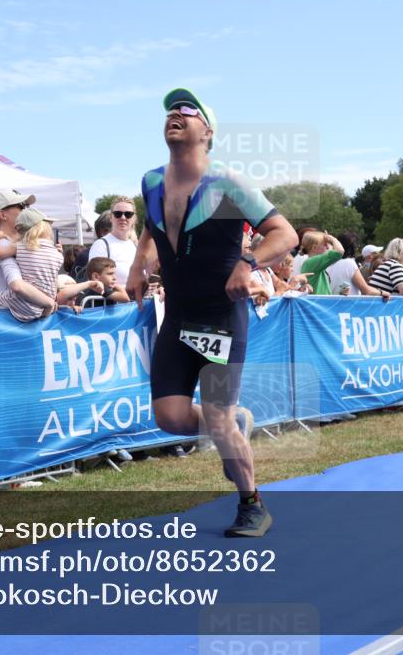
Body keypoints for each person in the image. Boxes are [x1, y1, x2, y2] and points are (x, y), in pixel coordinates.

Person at [127, 88, 298, 538]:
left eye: (188, 110)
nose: (175, 115)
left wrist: (248, 263)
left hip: (221, 318)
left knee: (218, 419)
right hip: (178, 317)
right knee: (170, 417)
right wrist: (137, 263)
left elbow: (285, 234)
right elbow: (149, 225)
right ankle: (231, 428)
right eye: (170, 110)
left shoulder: (228, 183)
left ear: (208, 131)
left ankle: (252, 504)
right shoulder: (150, 182)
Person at [0, 189, 58, 311]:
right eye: (21, 206)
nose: (26, 210)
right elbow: (17, 285)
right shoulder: (3, 244)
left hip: (17, 317)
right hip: (10, 318)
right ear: (3, 215)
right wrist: (48, 303)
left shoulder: (16, 245)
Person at [88, 197, 137, 286]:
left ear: (133, 219)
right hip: (113, 300)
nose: (123, 217)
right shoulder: (101, 245)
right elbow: (95, 282)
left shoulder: (135, 246)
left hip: (139, 299)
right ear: (111, 218)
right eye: (118, 214)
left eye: (128, 214)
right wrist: (125, 292)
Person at [326, 232, 392, 298]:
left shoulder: (329, 264)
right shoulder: (349, 263)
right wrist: (382, 292)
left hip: (334, 305)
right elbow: (366, 291)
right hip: (348, 306)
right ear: (354, 248)